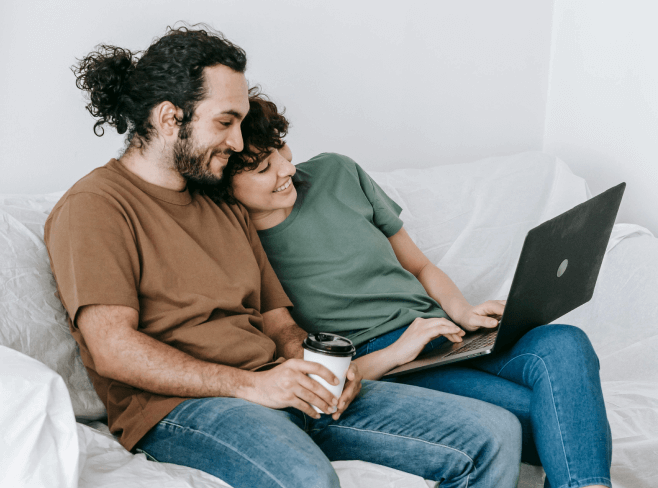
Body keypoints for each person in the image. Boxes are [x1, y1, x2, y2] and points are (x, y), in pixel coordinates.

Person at [44, 26, 523, 488]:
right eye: (225, 122)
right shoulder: (96, 206)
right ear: (170, 118)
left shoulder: (223, 205)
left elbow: (279, 324)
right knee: (307, 480)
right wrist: (249, 386)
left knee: (494, 433)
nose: (236, 142)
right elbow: (112, 349)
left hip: (276, 383)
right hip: (181, 407)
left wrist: (322, 371)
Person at [222, 91, 614, 488]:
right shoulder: (240, 244)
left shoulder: (337, 172)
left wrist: (462, 310)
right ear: (225, 183)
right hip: (391, 361)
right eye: (264, 168)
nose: (287, 169)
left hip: (444, 331)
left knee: (565, 341)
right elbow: (303, 355)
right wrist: (396, 351)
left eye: (283, 151)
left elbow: (420, 265)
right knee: (551, 416)